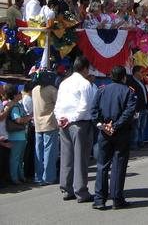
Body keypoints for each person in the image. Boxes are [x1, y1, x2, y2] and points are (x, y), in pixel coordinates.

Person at [91, 65, 136, 210]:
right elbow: (129, 113)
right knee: (119, 165)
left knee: (102, 165)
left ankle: (100, 199)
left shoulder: (101, 90)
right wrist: (115, 125)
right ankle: (117, 199)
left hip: (104, 132)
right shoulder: (128, 92)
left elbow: (94, 111)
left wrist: (103, 125)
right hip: (121, 132)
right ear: (124, 78)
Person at [54, 56, 96, 203]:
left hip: (64, 123)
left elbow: (58, 104)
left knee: (67, 157)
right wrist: (71, 118)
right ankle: (81, 191)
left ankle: (66, 189)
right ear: (85, 69)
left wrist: (60, 118)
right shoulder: (85, 84)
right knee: (81, 159)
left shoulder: (64, 83)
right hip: (79, 123)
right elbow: (85, 106)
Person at [32, 81, 58, 185]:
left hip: (37, 124)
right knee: (50, 152)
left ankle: (38, 176)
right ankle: (48, 177)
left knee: (38, 152)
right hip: (49, 123)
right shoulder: (51, 89)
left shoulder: (35, 90)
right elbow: (59, 102)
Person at [126, 66, 148, 150]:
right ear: (136, 72)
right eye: (141, 72)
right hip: (137, 109)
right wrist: (134, 109)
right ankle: (134, 144)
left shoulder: (140, 82)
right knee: (135, 127)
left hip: (144, 108)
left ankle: (140, 142)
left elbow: (145, 95)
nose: (142, 74)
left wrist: (147, 107)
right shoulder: (130, 82)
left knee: (142, 127)